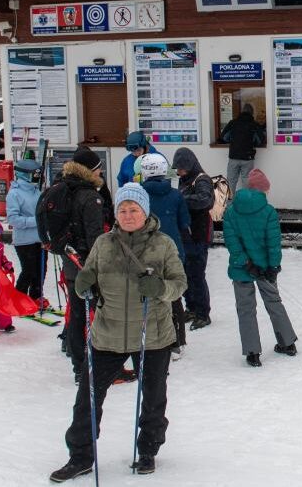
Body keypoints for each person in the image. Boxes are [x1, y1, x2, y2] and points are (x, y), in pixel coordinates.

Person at [49, 184, 186, 482]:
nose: (127, 215)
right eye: (123, 209)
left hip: (151, 335)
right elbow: (91, 275)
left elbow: (180, 283)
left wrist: (162, 289)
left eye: (133, 209)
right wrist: (84, 282)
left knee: (153, 398)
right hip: (107, 333)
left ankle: (148, 450)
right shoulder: (103, 243)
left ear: (145, 211)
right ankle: (80, 456)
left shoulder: (163, 245)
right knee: (88, 397)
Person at [37, 148, 108, 383]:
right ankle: (96, 363)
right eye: (99, 169)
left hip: (69, 261)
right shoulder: (89, 196)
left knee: (77, 313)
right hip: (87, 263)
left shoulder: (62, 186)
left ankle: (79, 365)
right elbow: (95, 236)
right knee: (98, 313)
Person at [223, 168, 297, 367]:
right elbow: (273, 242)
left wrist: (245, 262)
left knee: (246, 309)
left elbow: (232, 242)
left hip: (241, 269)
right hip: (265, 268)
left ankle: (252, 352)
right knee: (274, 302)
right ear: (262, 190)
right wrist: (273, 266)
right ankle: (287, 342)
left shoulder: (231, 212)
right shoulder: (268, 211)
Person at [139, 152, 191, 358]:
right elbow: (184, 222)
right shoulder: (176, 195)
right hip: (172, 251)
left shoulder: (138, 194)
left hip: (143, 251)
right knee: (174, 295)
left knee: (147, 296)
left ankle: (151, 339)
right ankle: (177, 342)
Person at [173, 147, 213, 330]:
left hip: (198, 235)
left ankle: (203, 313)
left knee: (197, 275)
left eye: (181, 168)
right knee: (186, 273)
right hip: (186, 235)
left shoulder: (202, 179)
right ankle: (191, 307)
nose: (179, 171)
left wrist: (182, 200)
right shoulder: (184, 179)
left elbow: (206, 200)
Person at [6, 158, 46, 307]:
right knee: (29, 270)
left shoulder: (36, 190)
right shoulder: (14, 194)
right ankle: (18, 299)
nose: (38, 177)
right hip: (24, 240)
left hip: (40, 238)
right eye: (35, 174)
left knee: (41, 270)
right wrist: (36, 221)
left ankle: (36, 296)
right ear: (25, 175)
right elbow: (13, 219)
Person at [219, 103, 266, 194]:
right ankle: (245, 204)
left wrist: (233, 141)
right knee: (247, 182)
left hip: (234, 156)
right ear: (252, 113)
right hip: (247, 158)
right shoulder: (254, 124)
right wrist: (252, 143)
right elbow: (260, 140)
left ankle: (229, 206)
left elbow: (224, 137)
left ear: (242, 112)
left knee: (231, 182)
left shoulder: (233, 123)